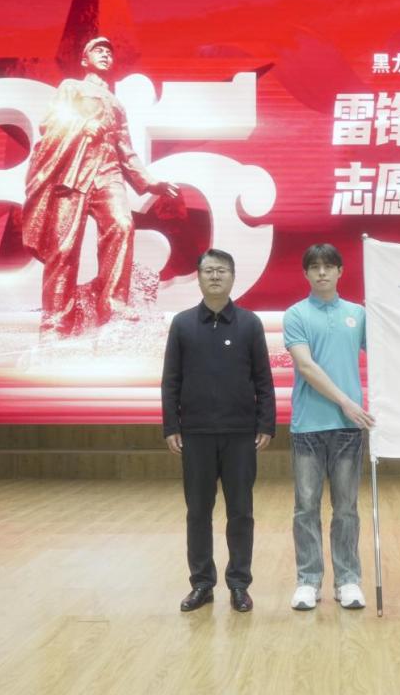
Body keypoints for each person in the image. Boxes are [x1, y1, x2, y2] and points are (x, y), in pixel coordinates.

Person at [23, 36, 179, 336]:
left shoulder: (117, 104)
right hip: (75, 173)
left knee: (122, 225)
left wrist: (150, 182)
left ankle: (114, 308)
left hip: (108, 172)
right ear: (85, 60)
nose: (106, 54)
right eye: (98, 50)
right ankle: (56, 320)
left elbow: (126, 149)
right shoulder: (72, 87)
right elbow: (50, 122)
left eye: (109, 51)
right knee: (63, 246)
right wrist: (82, 125)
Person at [161, 249, 275, 613]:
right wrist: (171, 425)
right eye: (208, 270)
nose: (214, 276)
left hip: (241, 434)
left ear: (232, 277)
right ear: (198, 277)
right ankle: (202, 584)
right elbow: (171, 380)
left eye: (221, 271)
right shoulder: (182, 324)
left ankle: (239, 584)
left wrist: (266, 424)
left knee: (241, 512)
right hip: (195, 434)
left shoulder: (249, 324)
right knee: (198, 511)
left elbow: (263, 379)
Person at [283, 243, 375, 611]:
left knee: (346, 508)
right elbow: (306, 366)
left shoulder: (358, 314)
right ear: (306, 273)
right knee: (306, 507)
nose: (322, 272)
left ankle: (348, 580)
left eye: (328, 266)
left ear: (340, 271)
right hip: (308, 426)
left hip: (348, 429)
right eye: (315, 267)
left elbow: (384, 355)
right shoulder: (296, 314)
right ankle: (308, 581)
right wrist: (347, 402)